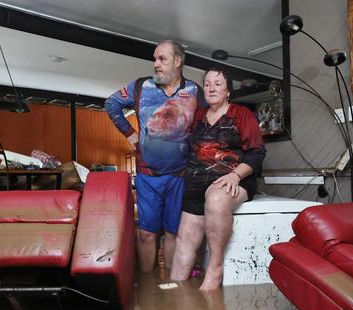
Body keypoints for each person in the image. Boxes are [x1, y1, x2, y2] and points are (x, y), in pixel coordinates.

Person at [105, 40, 205, 272]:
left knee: (173, 232)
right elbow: (111, 104)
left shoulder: (194, 91)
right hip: (148, 175)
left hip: (180, 176)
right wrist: (130, 134)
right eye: (154, 59)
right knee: (147, 233)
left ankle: (168, 288)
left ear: (178, 61)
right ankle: (149, 288)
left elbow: (205, 124)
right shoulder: (140, 86)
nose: (156, 64)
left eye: (162, 59)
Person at [171, 66, 266, 291]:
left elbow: (257, 152)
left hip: (232, 180)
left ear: (228, 91)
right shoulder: (199, 116)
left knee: (215, 199)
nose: (211, 88)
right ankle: (173, 294)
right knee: (183, 240)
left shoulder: (241, 114)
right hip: (195, 182)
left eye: (218, 83)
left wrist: (235, 175)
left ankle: (215, 267)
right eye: (207, 84)